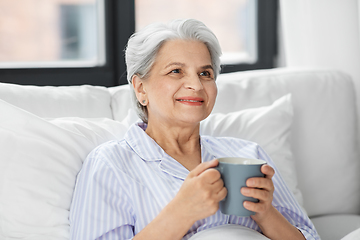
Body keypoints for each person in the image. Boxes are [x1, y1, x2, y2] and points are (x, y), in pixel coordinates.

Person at [69, 19, 319, 240]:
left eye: (205, 73)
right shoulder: (110, 164)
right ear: (140, 88)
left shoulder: (248, 154)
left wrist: (266, 213)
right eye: (176, 71)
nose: (196, 85)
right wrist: (181, 213)